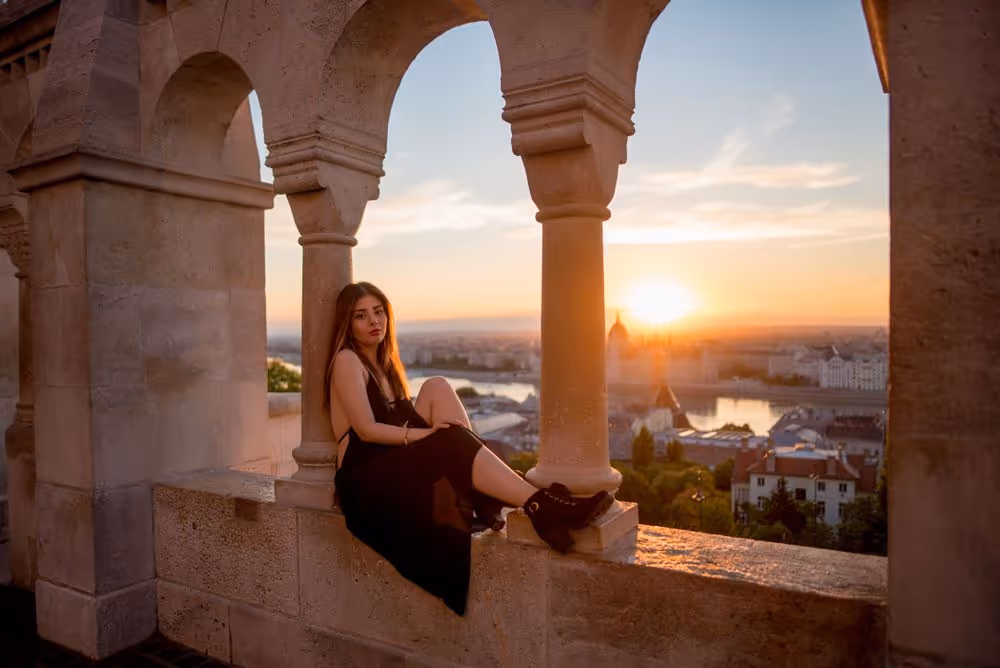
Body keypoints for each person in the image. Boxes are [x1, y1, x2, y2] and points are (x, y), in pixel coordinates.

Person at [327, 282, 612, 615]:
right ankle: (541, 505)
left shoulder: (386, 365)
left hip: (391, 465)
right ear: (348, 323)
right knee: (448, 437)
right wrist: (429, 437)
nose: (374, 321)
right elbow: (366, 429)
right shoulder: (347, 360)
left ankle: (506, 498)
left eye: (379, 312)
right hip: (364, 480)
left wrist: (433, 435)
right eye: (361, 316)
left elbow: (415, 425)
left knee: (437, 386)